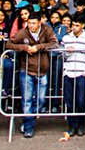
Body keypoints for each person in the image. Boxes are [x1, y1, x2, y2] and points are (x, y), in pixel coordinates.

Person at [6, 9, 59, 138]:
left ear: (40, 23)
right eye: (29, 23)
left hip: (43, 70)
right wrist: (24, 48)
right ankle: (29, 125)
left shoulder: (47, 30)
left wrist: (39, 47)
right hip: (26, 70)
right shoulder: (23, 33)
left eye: (34, 23)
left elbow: (54, 43)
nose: (31, 26)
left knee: (41, 100)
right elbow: (9, 43)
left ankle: (29, 119)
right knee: (27, 99)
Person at [60, 13, 85, 138]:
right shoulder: (66, 38)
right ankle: (71, 125)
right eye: (73, 25)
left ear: (83, 26)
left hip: (81, 72)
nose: (74, 27)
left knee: (81, 100)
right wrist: (67, 53)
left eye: (77, 25)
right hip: (68, 71)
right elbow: (61, 55)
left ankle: (81, 125)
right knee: (69, 101)